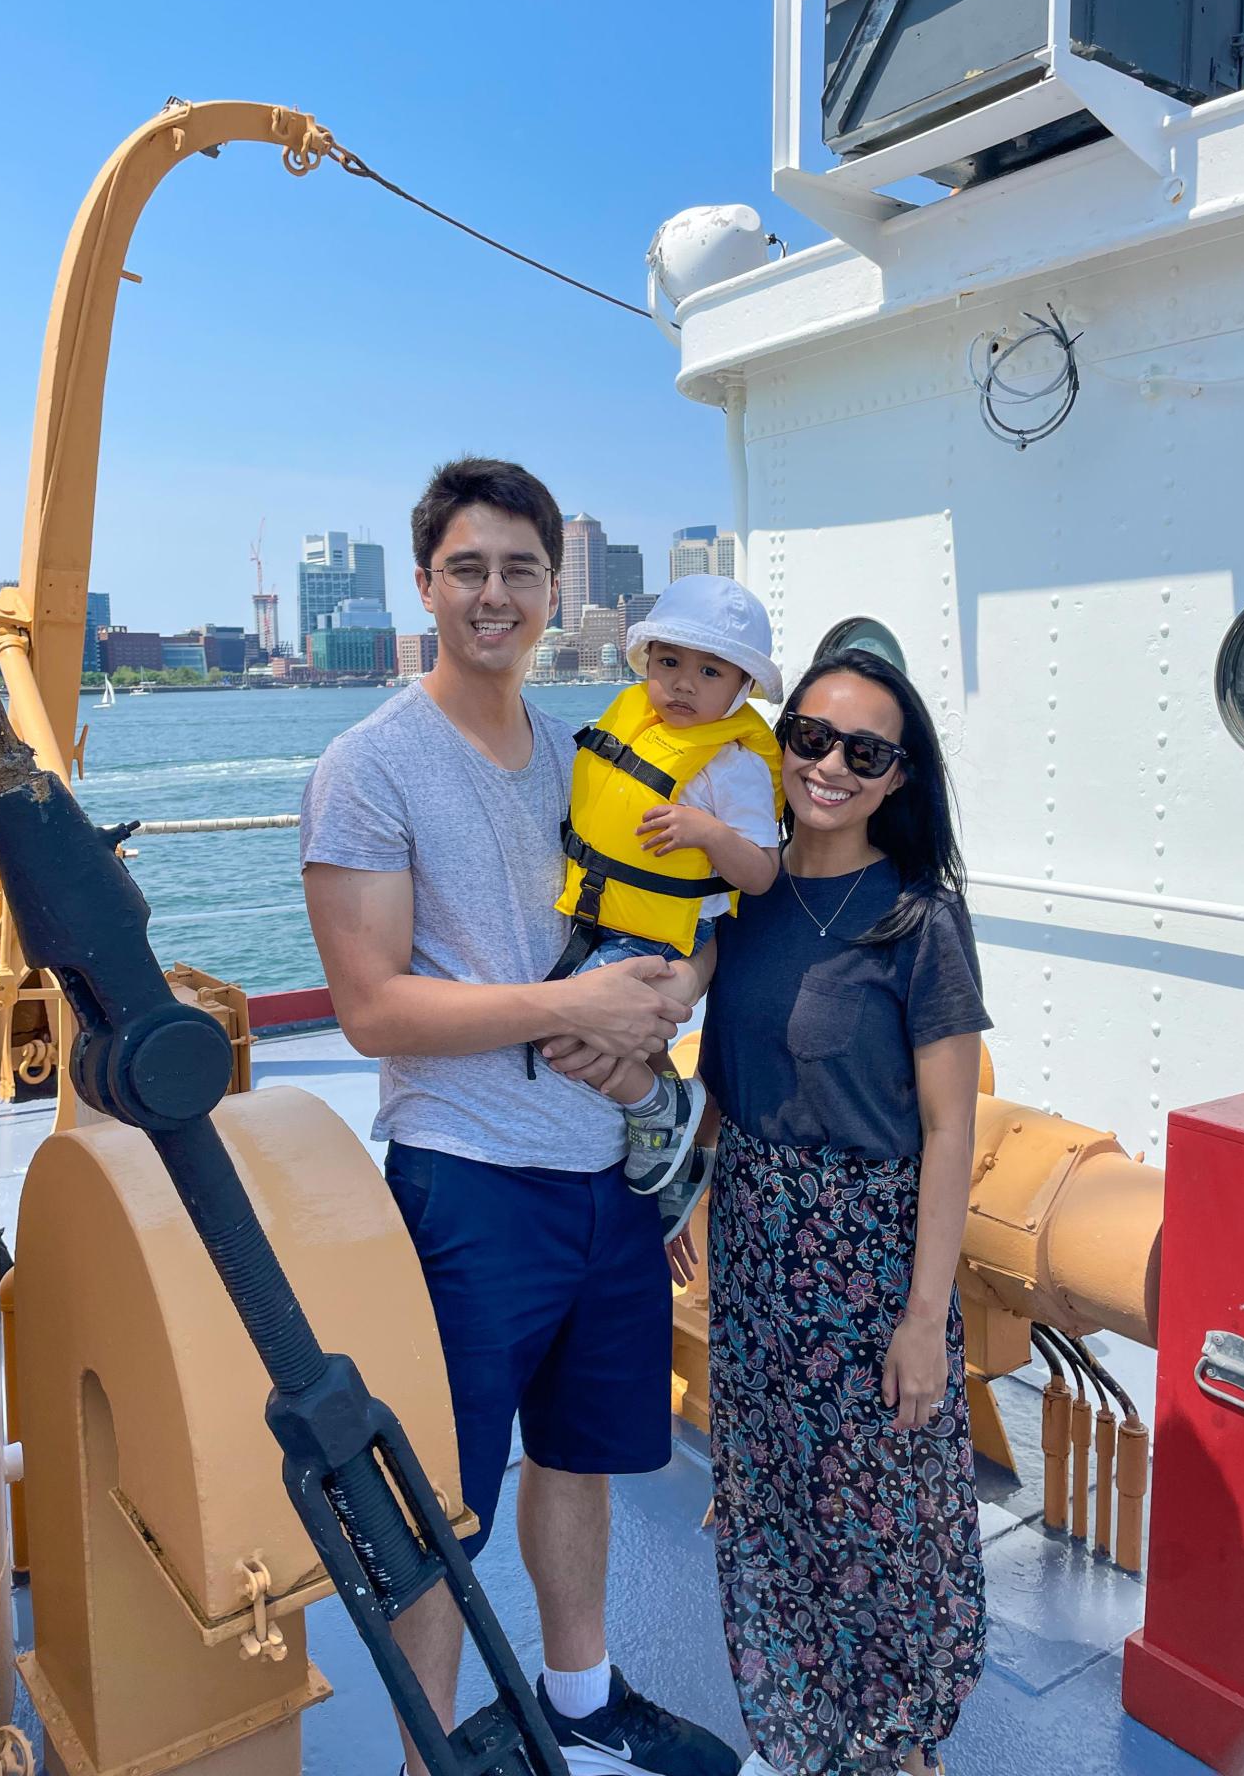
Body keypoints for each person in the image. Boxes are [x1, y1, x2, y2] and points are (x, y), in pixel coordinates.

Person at [301, 457, 738, 1776]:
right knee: (441, 1504)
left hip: (607, 1174)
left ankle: (583, 1692)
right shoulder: (367, 767)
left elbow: (683, 927)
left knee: (585, 1455)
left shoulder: (590, 748)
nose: (496, 595)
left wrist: (655, 1012)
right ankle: (435, 1752)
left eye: (521, 570)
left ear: (555, 589)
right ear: (426, 582)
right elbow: (374, 1009)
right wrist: (582, 1013)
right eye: (469, 569)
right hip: (467, 1181)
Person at [670, 648, 991, 1776]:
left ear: (900, 777)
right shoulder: (744, 905)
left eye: (866, 752)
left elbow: (950, 1130)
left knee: (886, 1519)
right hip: (757, 1244)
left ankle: (901, 1749)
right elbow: (721, 1082)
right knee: (771, 1502)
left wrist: (922, 1318)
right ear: (778, 740)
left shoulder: (918, 922)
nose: (830, 766)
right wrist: (681, 1190)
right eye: (810, 737)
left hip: (869, 1257)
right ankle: (808, 1738)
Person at [550, 572, 783, 1213]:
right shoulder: (633, 728)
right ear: (646, 661)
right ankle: (675, 1155)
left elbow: (761, 873)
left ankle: (659, 1108)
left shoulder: (731, 767)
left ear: (742, 688)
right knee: (596, 1027)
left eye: (712, 672)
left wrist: (708, 832)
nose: (683, 682)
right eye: (670, 661)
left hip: (664, 929)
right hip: (609, 915)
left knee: (564, 1032)